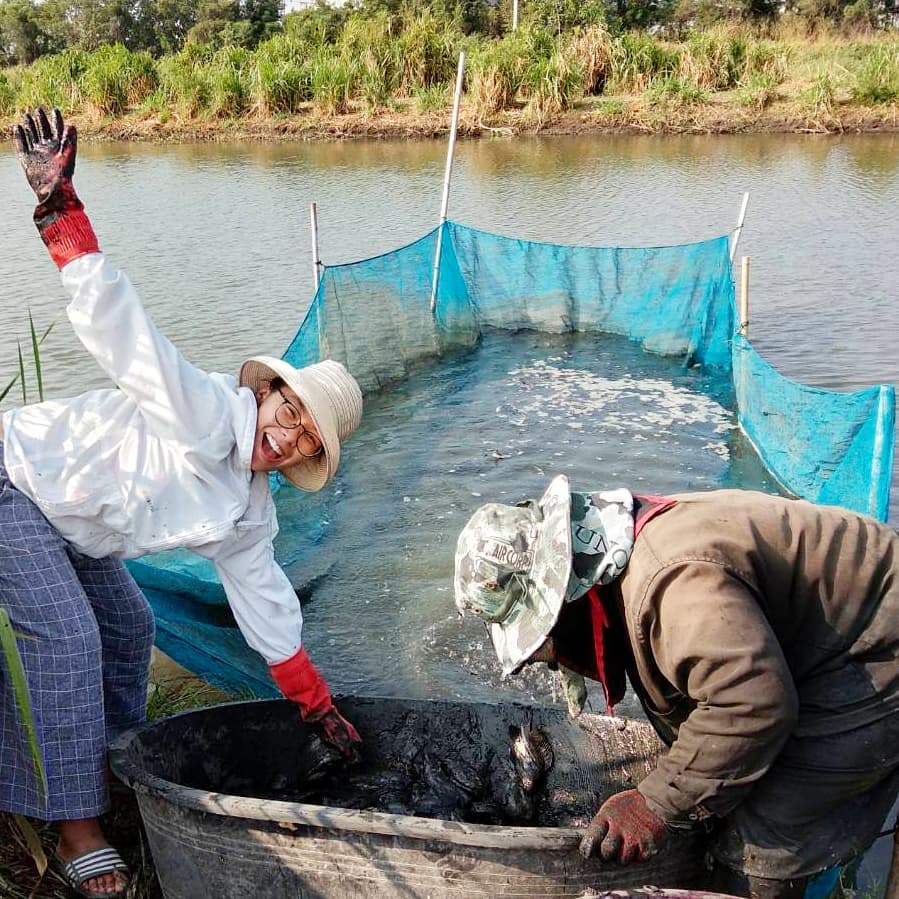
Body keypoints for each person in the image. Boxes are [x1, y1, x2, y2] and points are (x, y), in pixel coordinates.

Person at [0, 108, 364, 898]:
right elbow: (120, 331)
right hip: (15, 479)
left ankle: (105, 765)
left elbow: (262, 596)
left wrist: (314, 703)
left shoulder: (250, 509)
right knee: (64, 636)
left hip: (75, 525)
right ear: (266, 392)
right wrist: (59, 210)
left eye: (309, 441)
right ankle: (75, 829)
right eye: (291, 410)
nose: (291, 436)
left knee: (129, 625)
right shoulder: (203, 409)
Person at [454, 475, 899, 899]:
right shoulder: (612, 556)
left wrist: (653, 804)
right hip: (826, 633)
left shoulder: (672, 589)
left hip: (876, 644)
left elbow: (753, 706)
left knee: (764, 829)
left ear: (564, 596)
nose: (544, 660)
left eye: (542, 638)